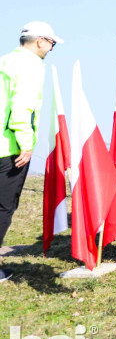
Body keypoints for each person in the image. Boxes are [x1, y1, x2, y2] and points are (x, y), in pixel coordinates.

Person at [0, 22, 60, 265]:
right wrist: (25, 143)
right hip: (9, 147)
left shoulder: (5, 60)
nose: (52, 48)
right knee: (4, 207)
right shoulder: (31, 65)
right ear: (40, 41)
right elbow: (22, 107)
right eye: (52, 43)